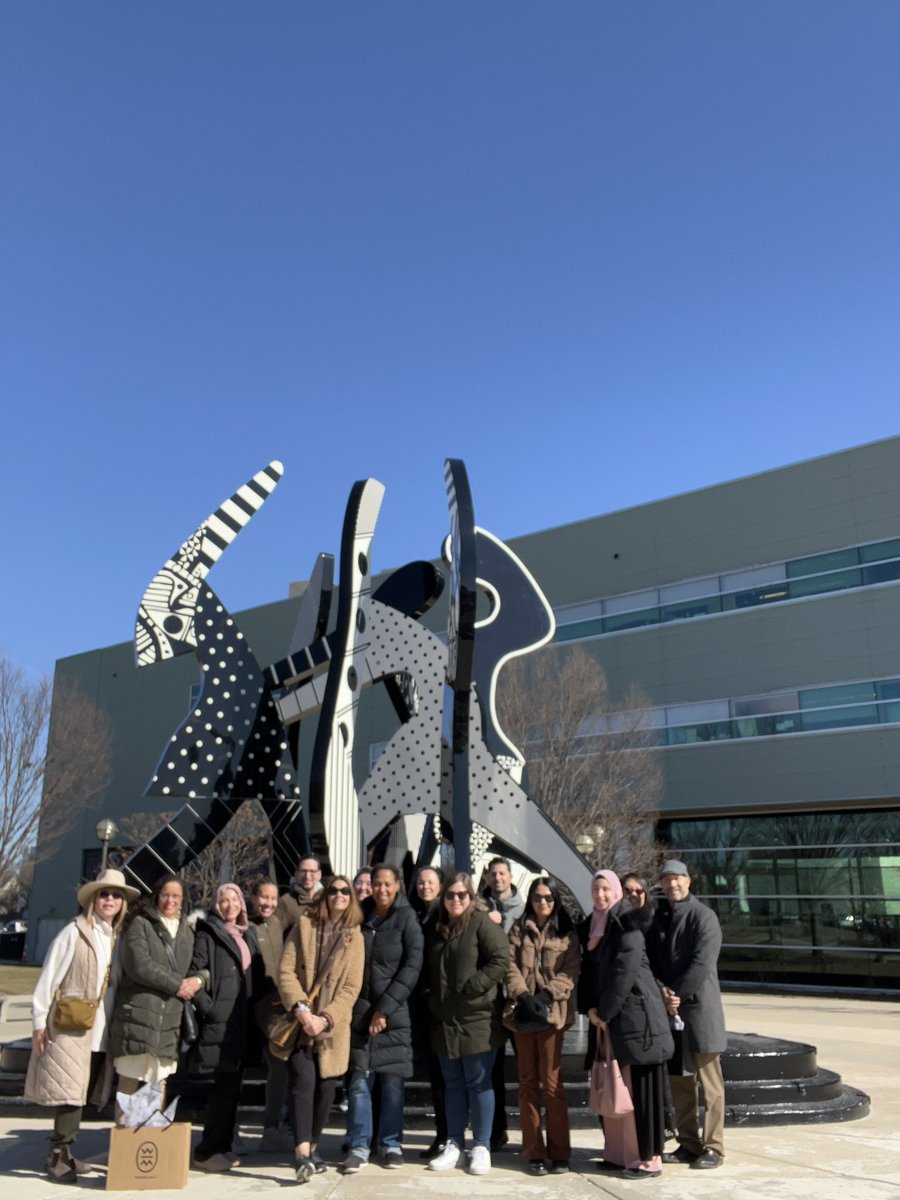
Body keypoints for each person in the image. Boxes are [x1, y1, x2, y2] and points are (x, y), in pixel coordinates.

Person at [24, 867, 139, 1182]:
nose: (110, 899)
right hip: (71, 1025)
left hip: (101, 1027)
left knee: (84, 1091)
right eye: (105, 894)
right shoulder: (73, 932)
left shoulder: (116, 937)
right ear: (94, 899)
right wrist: (38, 1021)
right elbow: (49, 977)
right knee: (70, 1092)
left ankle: (67, 1151)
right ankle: (57, 1155)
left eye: (116, 895)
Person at [586, 869, 674, 1179]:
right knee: (616, 1086)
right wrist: (590, 1008)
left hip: (637, 1020)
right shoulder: (597, 925)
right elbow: (590, 973)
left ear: (616, 892)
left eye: (606, 890)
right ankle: (619, 1154)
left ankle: (647, 1159)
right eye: (596, 890)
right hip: (610, 1020)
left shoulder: (628, 924)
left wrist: (604, 1011)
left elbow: (623, 974)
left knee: (638, 1091)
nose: (601, 895)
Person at [279, 874, 364, 1184]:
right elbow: (286, 970)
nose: (339, 895)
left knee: (326, 1089)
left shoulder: (355, 936)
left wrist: (325, 1018)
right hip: (301, 1022)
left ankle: (313, 1147)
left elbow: (351, 988)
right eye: (333, 890)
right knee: (303, 1083)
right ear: (325, 894)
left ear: (351, 897)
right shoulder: (304, 925)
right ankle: (302, 1154)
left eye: (345, 891)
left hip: (332, 1027)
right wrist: (302, 1010)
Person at [427, 873, 510, 1176]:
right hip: (445, 1021)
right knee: (453, 1085)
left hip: (477, 1018)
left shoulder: (481, 922)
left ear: (471, 896)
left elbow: (501, 959)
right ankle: (453, 1144)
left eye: (462, 894)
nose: (456, 900)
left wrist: (475, 986)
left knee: (479, 1083)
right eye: (450, 895)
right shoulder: (437, 926)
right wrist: (432, 998)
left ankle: (482, 1145)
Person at [646, 859, 727, 1170]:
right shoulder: (658, 919)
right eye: (666, 881)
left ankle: (715, 1147)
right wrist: (661, 990)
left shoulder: (704, 917)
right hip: (671, 1010)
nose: (672, 885)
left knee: (711, 1086)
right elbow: (650, 962)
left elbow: (702, 963)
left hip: (700, 1012)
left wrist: (674, 994)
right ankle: (689, 1143)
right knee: (680, 1081)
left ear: (688, 881)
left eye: (677, 879)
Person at [343, 863, 423, 1173]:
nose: (382, 889)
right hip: (360, 1015)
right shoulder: (358, 917)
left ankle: (390, 1143)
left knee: (392, 1083)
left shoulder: (407, 919)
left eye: (388, 883)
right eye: (377, 883)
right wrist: (366, 1011)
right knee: (359, 1081)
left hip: (394, 1015)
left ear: (398, 885)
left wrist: (384, 1010)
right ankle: (359, 1145)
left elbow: (411, 967)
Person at [505, 877, 581, 1176]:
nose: (543, 903)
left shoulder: (567, 933)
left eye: (548, 898)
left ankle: (560, 1152)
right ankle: (533, 1152)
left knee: (551, 1084)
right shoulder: (518, 928)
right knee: (527, 1083)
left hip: (552, 1015)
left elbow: (572, 969)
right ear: (530, 900)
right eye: (537, 897)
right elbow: (509, 964)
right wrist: (522, 994)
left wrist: (547, 993)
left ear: (556, 899)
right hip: (523, 1014)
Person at [109, 874, 200, 1116]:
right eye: (166, 895)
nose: (170, 900)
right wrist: (177, 984)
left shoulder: (188, 931)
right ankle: (123, 1143)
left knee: (158, 1083)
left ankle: (149, 1144)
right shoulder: (140, 923)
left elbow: (199, 967)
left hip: (169, 1019)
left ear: (183, 900)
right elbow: (140, 966)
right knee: (129, 1081)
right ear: (157, 896)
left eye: (176, 896)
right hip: (138, 1016)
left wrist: (199, 980)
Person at [188, 882, 264, 1172]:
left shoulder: (248, 935)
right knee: (220, 1091)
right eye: (223, 900)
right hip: (221, 1023)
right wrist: (211, 1010)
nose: (229, 905)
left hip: (243, 1023)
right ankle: (206, 1153)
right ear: (215, 904)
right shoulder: (208, 933)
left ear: (242, 904)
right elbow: (195, 975)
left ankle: (222, 1147)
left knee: (232, 1089)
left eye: (234, 899)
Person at [481, 856, 524, 1152]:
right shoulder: (478, 908)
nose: (498, 878)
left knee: (526, 1068)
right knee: (492, 1068)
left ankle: (532, 1135)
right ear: (487, 878)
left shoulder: (525, 908)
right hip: (491, 999)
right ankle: (497, 1131)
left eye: (502, 873)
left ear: (511, 876)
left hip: (520, 997)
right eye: (493, 873)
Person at [249, 877, 292, 1152]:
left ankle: (272, 1127)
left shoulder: (276, 924)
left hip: (274, 1010)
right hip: (249, 1007)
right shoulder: (246, 927)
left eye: (273, 899)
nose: (268, 903)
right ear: (253, 898)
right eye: (264, 897)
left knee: (279, 1070)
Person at [409, 865, 447, 1160]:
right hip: (420, 1005)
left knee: (445, 1076)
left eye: (430, 882)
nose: (425, 887)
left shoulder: (445, 914)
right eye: (421, 882)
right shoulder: (413, 914)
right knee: (436, 1076)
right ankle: (443, 1134)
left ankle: (448, 1135)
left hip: (442, 1006)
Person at [278, 855, 324, 930]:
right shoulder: (286, 902)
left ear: (319, 874)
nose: (307, 876)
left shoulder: (328, 900)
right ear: (296, 874)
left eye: (312, 871)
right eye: (303, 871)